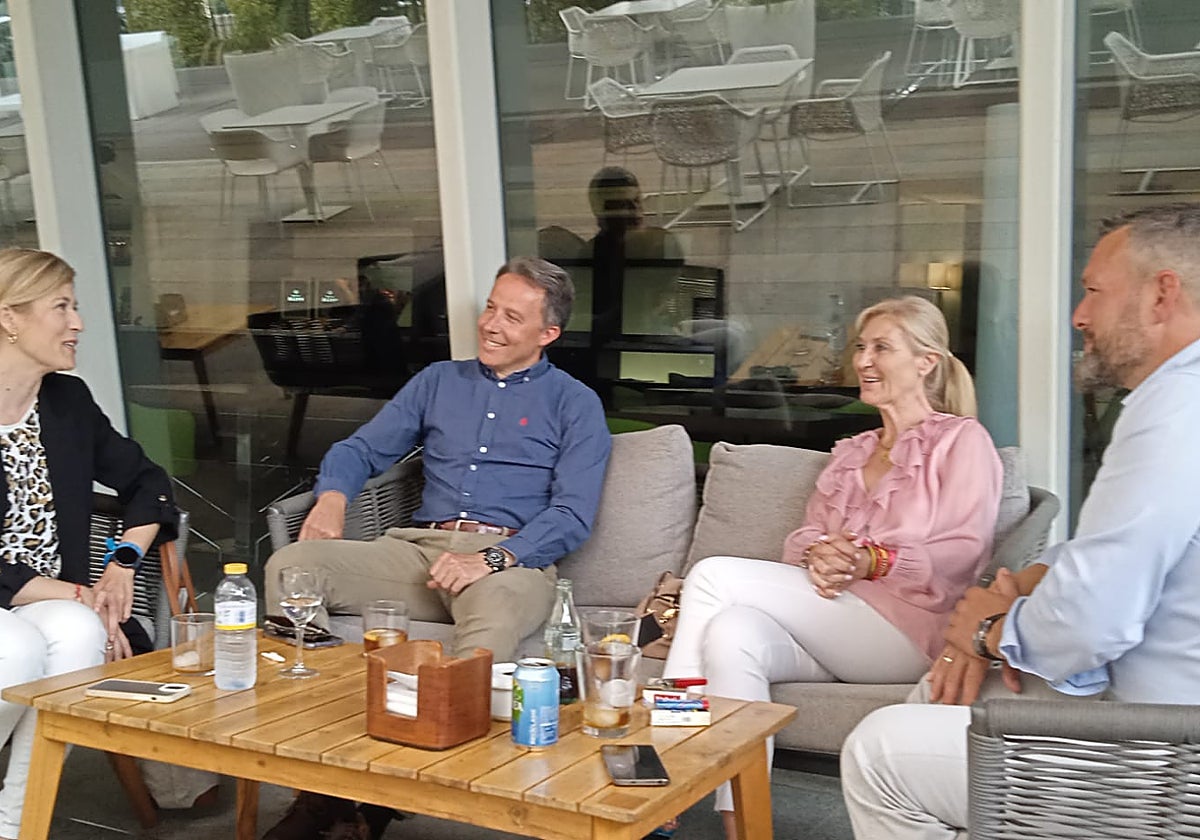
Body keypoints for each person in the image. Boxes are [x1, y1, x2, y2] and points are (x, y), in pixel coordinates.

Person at [840, 203, 1200, 840]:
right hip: (1141, 706)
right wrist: (1018, 589)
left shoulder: (1173, 414)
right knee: (947, 693)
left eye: (1093, 291)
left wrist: (984, 632)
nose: (1078, 315)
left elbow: (1089, 624)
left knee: (880, 754)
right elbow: (1099, 563)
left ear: (1161, 294)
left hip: (1165, 755)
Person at [261, 256, 611, 840]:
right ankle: (322, 786)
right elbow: (358, 449)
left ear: (548, 334)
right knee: (292, 566)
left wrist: (489, 559)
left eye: (513, 317)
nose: (491, 324)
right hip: (417, 552)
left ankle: (424, 791)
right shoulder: (438, 383)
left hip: (509, 562)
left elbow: (573, 514)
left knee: (490, 621)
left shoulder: (575, 404)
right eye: (491, 307)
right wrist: (331, 500)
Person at [662, 295, 1002, 840]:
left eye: (882, 348)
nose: (863, 361)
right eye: (860, 348)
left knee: (711, 577)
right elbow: (805, 534)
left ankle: (665, 763)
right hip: (835, 620)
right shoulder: (850, 452)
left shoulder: (961, 441)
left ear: (926, 361)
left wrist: (875, 559)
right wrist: (818, 554)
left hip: (908, 629)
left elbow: (963, 548)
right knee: (732, 633)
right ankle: (744, 828)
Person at [0, 248, 178, 840]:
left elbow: (149, 483)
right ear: (10, 319)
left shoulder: (66, 401)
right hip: (21, 598)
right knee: (22, 650)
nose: (78, 323)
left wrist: (120, 564)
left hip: (51, 598)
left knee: (76, 635)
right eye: (62, 307)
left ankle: (16, 825)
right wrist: (80, 593)